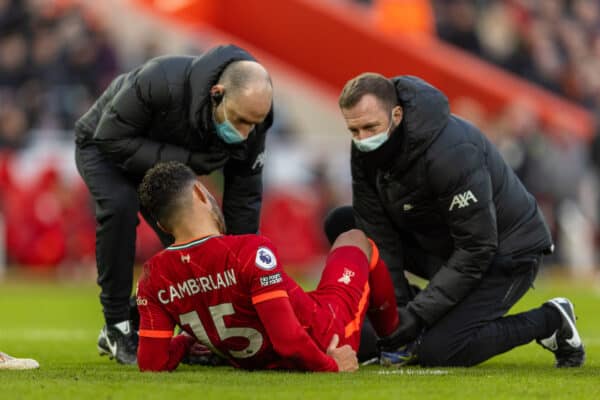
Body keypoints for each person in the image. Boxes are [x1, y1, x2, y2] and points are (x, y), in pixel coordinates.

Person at [325, 73, 585, 368]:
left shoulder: (451, 152)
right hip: (445, 245)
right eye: (354, 130)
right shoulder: (363, 148)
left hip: (506, 252)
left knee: (439, 352)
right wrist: (395, 319)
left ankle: (552, 320)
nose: (363, 140)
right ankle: (415, 320)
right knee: (346, 225)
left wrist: (419, 314)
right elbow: (378, 233)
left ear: (396, 115)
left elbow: (478, 247)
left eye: (370, 128)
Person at [74, 44, 274, 364]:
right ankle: (116, 327)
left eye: (253, 123)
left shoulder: (253, 118)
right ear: (216, 94)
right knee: (120, 207)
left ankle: (191, 330)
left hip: (168, 166)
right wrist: (190, 160)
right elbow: (109, 138)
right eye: (239, 120)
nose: (245, 133)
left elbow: (244, 200)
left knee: (204, 240)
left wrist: (239, 281)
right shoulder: (159, 80)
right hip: (103, 148)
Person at [134, 161, 407, 372]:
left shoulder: (152, 276)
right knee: (355, 238)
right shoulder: (247, 250)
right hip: (324, 337)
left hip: (256, 358)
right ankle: (396, 341)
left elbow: (152, 363)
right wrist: (332, 365)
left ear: (161, 226)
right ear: (199, 193)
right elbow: (289, 341)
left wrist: (184, 342)